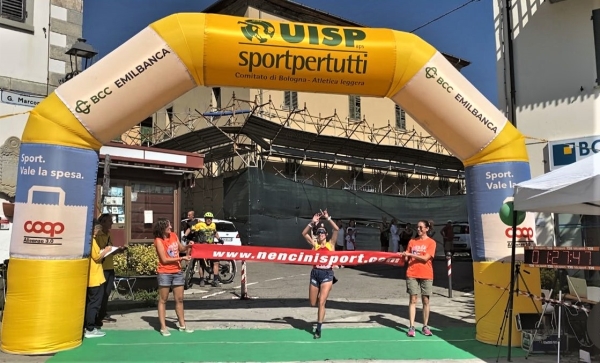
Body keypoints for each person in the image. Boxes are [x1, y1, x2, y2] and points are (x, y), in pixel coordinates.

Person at [301, 210, 339, 339]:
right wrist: (312, 223)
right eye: (319, 232)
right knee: (313, 303)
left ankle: (318, 328)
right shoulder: (314, 244)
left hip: (327, 274)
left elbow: (336, 229)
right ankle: (320, 305)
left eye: (322, 232)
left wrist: (328, 218)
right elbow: (304, 233)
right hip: (315, 273)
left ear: (326, 234)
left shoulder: (331, 244)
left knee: (322, 302)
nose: (321, 234)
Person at [153, 218, 194, 336]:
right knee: (163, 299)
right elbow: (164, 260)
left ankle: (182, 325)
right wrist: (181, 258)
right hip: (164, 272)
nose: (170, 228)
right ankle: (163, 327)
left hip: (177, 272)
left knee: (180, 299)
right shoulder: (158, 240)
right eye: (168, 226)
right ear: (162, 228)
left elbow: (180, 248)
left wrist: (188, 246)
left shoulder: (174, 235)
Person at [401, 220, 436, 338]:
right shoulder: (412, 241)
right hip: (412, 273)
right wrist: (403, 256)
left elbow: (425, 258)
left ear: (427, 229)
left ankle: (425, 326)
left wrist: (410, 255)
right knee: (413, 299)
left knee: (425, 300)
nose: (419, 229)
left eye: (421, 227)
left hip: (426, 274)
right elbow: (406, 258)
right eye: (417, 227)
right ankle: (411, 327)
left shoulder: (431, 243)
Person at [95, 213, 126, 327]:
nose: (112, 223)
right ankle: (96, 316)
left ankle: (102, 315)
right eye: (109, 221)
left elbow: (110, 250)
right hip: (100, 268)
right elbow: (98, 251)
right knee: (100, 293)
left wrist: (119, 250)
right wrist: (107, 250)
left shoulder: (109, 234)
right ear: (102, 222)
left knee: (107, 293)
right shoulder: (97, 235)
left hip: (109, 267)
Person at [84, 224, 111, 338]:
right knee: (94, 303)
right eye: (98, 230)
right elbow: (96, 257)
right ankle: (90, 328)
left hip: (94, 277)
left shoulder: (89, 240)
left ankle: (90, 326)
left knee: (92, 302)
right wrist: (106, 250)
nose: (99, 232)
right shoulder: (91, 241)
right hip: (94, 278)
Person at [192, 212, 224, 287]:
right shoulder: (200, 225)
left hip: (211, 247)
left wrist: (219, 239)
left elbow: (215, 233)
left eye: (210, 218)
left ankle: (215, 280)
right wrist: (189, 235)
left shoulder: (213, 225)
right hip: (202, 246)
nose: (209, 220)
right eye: (207, 218)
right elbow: (191, 229)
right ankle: (202, 279)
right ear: (205, 219)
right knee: (202, 264)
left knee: (216, 262)